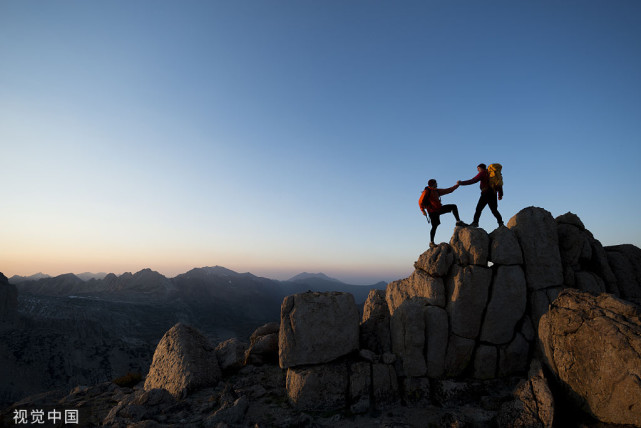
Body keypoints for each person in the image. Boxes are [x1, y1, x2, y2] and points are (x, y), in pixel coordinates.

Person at [419, 179, 467, 247]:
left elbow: (448, 190)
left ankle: (458, 221)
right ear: (433, 184)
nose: (437, 184)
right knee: (434, 226)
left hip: (439, 209)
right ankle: (431, 242)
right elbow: (420, 201)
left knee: (453, 206)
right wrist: (423, 210)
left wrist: (457, 185)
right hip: (432, 211)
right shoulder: (427, 191)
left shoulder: (437, 191)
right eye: (436, 183)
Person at [457, 163, 504, 228]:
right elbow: (499, 184)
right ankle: (501, 223)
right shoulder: (492, 175)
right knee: (494, 210)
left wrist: (461, 183)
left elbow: (473, 180)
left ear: (481, 168)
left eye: (478, 169)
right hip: (493, 194)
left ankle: (475, 223)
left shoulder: (483, 173)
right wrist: (500, 194)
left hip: (486, 193)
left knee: (478, 208)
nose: (478, 170)